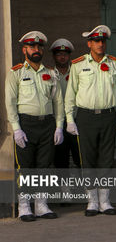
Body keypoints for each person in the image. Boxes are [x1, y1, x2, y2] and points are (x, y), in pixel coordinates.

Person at [64, 25, 116, 216]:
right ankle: (92, 201)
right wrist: (69, 120)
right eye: (96, 41)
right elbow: (70, 94)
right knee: (88, 159)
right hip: (86, 116)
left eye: (103, 41)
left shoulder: (115, 64)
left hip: (108, 115)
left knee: (106, 159)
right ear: (89, 43)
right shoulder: (78, 64)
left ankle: (105, 200)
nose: (100, 44)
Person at [5, 31, 64, 221]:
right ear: (24, 50)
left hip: (47, 124)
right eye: (32, 47)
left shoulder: (50, 73)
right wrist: (16, 128)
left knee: (44, 166)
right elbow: (10, 102)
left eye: (39, 47)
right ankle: (24, 206)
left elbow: (58, 102)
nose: (36, 50)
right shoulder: (16, 73)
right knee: (26, 167)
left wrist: (59, 126)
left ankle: (41, 205)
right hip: (26, 125)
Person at [49, 39, 80, 169]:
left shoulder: (77, 72)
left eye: (65, 54)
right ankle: (64, 189)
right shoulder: (48, 73)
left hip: (76, 120)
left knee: (80, 158)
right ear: (54, 56)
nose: (62, 57)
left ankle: (84, 187)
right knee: (60, 160)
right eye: (59, 54)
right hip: (56, 123)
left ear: (69, 56)